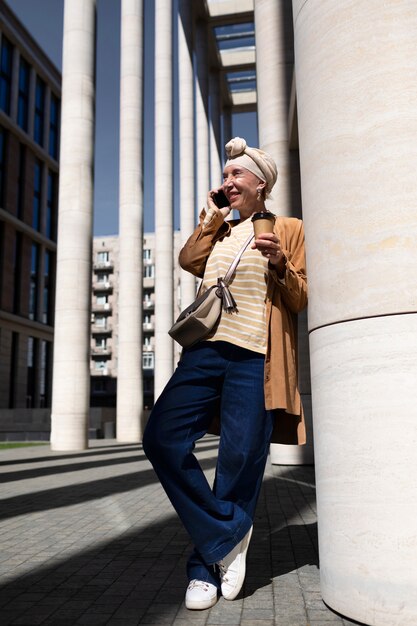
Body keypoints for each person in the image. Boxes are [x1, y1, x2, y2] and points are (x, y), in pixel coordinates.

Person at [143, 137, 307, 610]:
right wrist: (212, 216)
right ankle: (230, 531)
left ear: (261, 183)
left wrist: (278, 262)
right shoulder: (219, 230)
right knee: (162, 437)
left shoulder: (290, 228)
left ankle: (204, 567)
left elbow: (300, 296)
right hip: (205, 352)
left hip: (257, 357)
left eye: (237, 175)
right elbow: (188, 260)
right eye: (225, 175)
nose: (227, 181)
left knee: (239, 459)